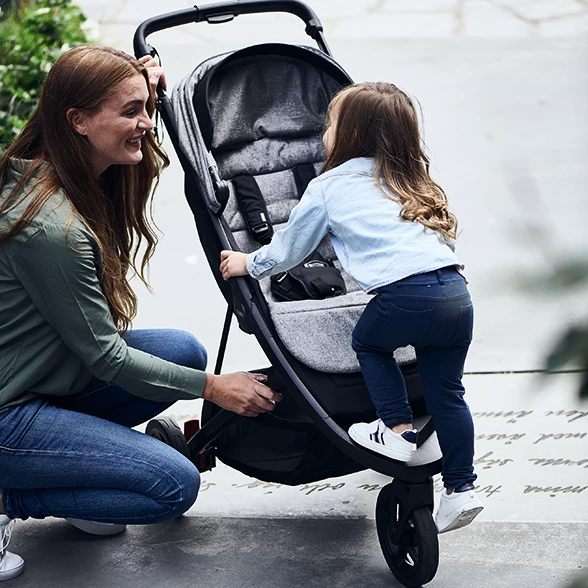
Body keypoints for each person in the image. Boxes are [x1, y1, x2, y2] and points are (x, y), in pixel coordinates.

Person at [0, 45, 281, 581]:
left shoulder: (65, 174)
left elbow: (140, 168)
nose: (145, 125)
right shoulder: (51, 230)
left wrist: (145, 92)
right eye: (130, 112)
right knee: (173, 485)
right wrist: (213, 388)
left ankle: (75, 475)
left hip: (39, 376)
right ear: (77, 121)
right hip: (7, 412)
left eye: (146, 109)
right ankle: (10, 493)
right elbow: (106, 357)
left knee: (183, 351)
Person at [220, 82, 483, 535]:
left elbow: (289, 251)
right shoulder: (412, 181)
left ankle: (395, 430)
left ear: (351, 135)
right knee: (448, 395)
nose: (324, 132)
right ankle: (462, 490)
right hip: (456, 294)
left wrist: (249, 261)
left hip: (405, 296)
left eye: (330, 124)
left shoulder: (328, 186)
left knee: (368, 342)